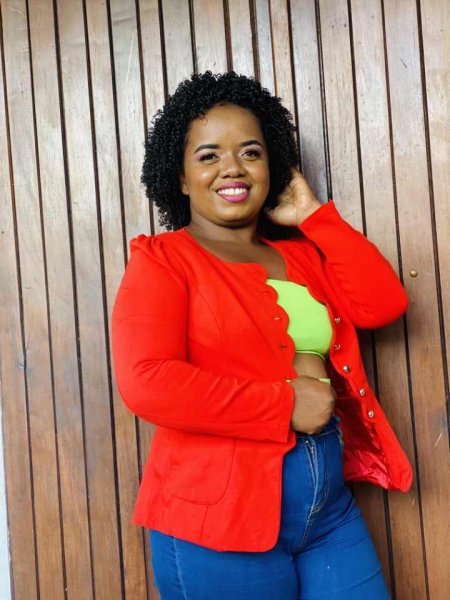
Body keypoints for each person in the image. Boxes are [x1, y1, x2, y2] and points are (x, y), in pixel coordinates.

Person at [112, 71, 412, 599]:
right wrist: (283, 405)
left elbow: (383, 304)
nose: (233, 167)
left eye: (251, 152)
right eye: (209, 155)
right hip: (218, 521)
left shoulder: (300, 255)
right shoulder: (163, 260)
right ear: (180, 178)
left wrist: (313, 217)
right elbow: (147, 382)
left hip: (327, 513)